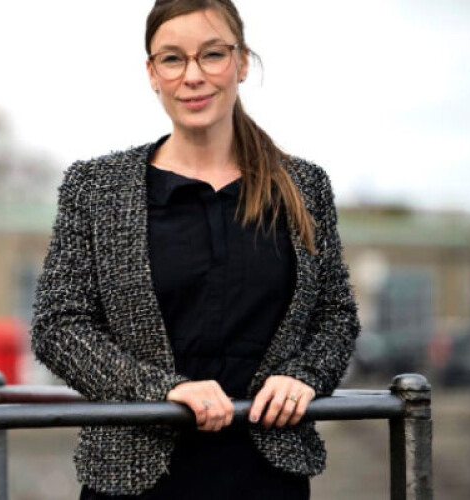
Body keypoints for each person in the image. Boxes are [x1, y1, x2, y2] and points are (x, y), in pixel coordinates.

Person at [30, 0, 361, 498]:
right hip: (134, 478)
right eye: (172, 58)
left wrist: (305, 375)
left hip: (265, 473)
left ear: (242, 62)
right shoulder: (96, 187)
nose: (193, 76)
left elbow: (336, 313)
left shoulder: (304, 186)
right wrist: (162, 390)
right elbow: (58, 326)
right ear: (151, 72)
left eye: (212, 54)